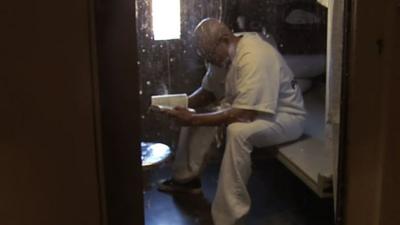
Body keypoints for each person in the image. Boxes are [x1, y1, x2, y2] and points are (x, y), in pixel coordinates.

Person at [155, 18, 306, 225]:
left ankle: (229, 217)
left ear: (225, 40)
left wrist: (192, 119)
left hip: (285, 116)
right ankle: (186, 180)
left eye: (211, 56)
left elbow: (245, 114)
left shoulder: (254, 56)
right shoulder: (221, 54)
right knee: (197, 113)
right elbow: (208, 92)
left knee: (238, 132)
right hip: (250, 108)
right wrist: (182, 105)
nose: (211, 62)